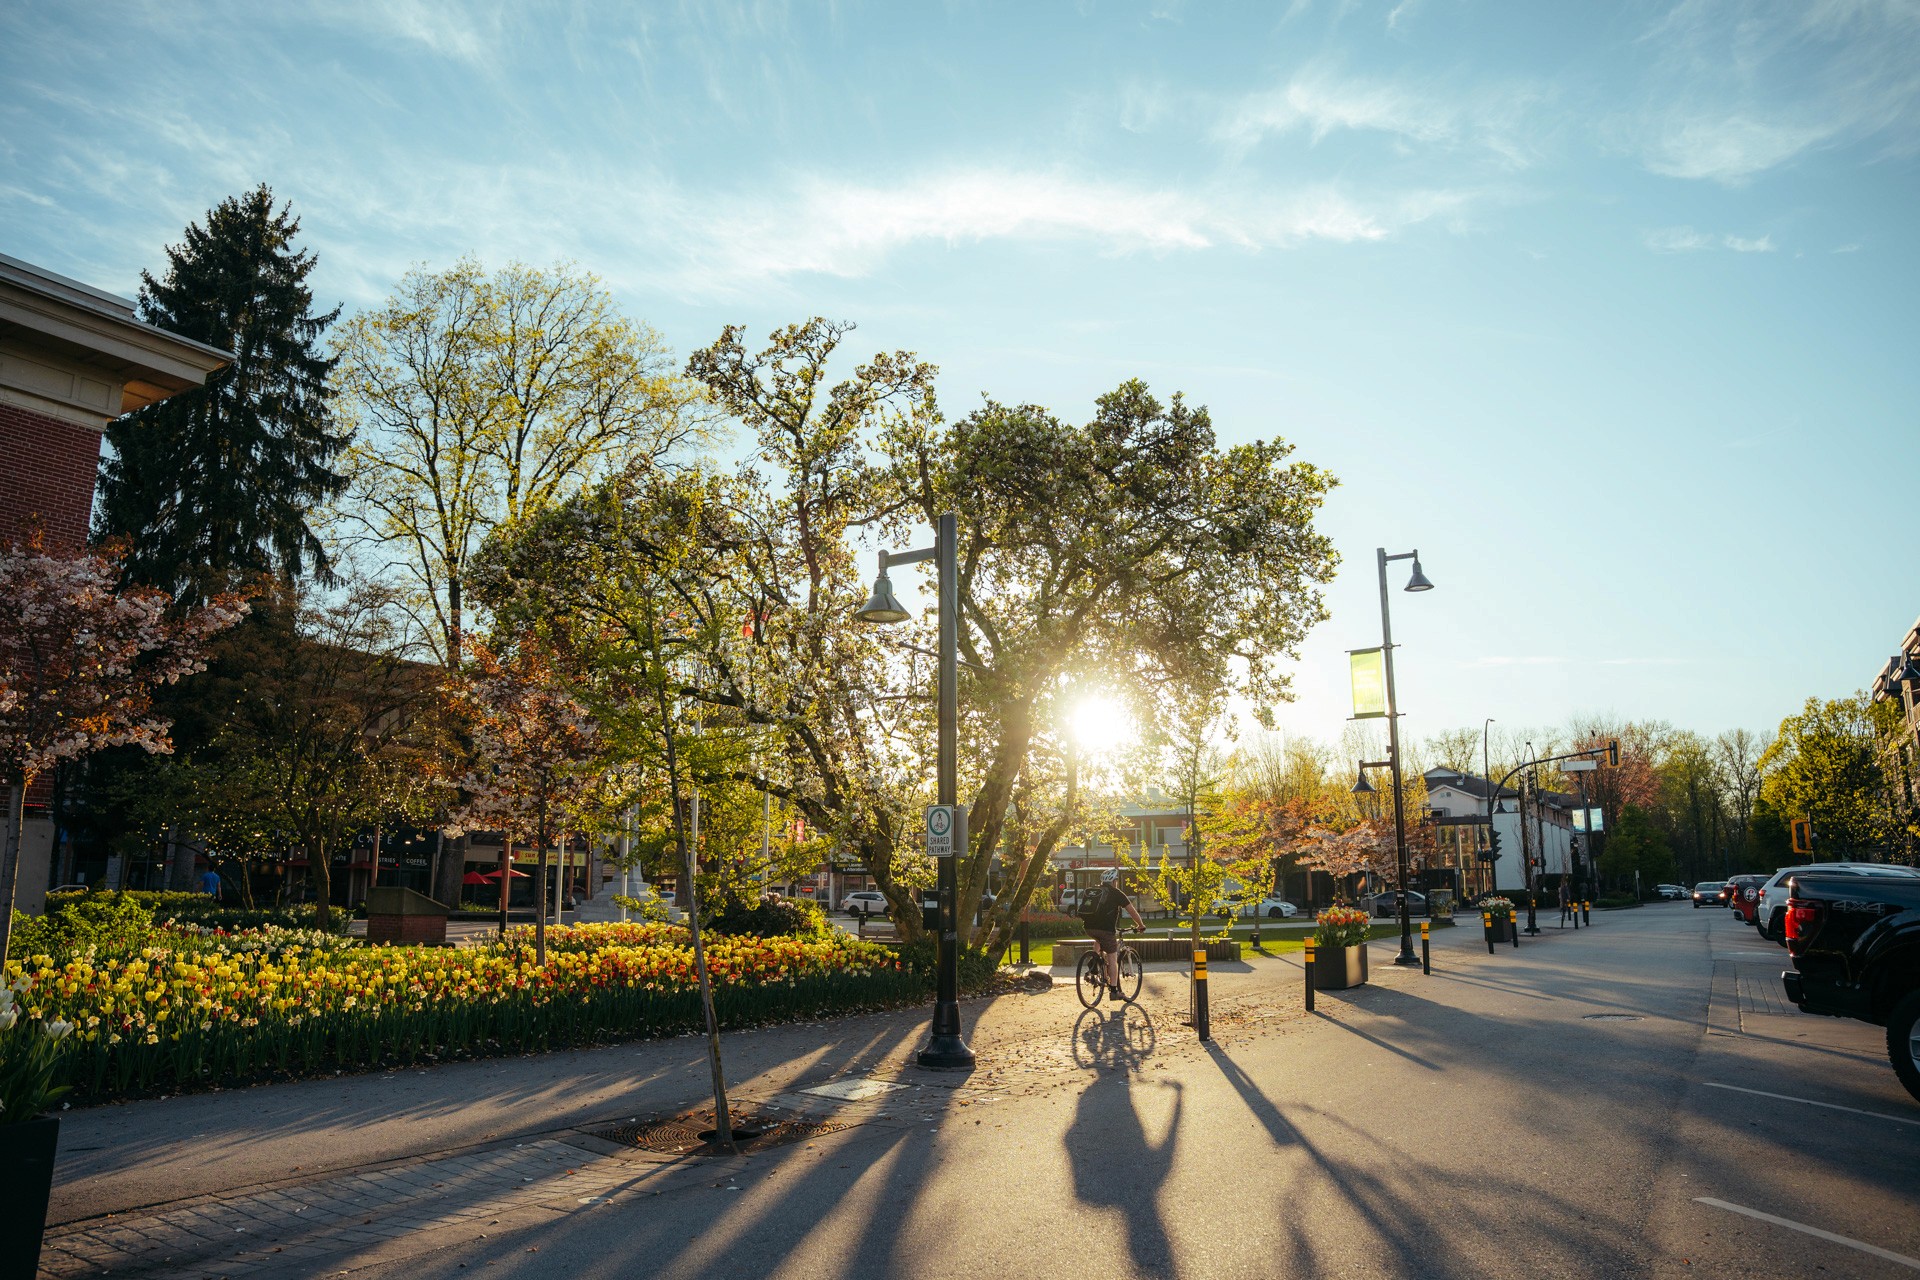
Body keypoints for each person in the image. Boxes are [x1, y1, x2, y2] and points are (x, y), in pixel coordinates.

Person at [1083, 868, 1144, 1000]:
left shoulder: (1095, 891)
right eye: (1116, 880)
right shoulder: (1116, 893)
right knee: (1112, 956)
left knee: (1098, 939)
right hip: (1106, 929)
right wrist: (1140, 925)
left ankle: (1094, 963)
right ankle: (1114, 991)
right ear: (1114, 881)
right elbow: (1132, 911)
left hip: (1088, 928)